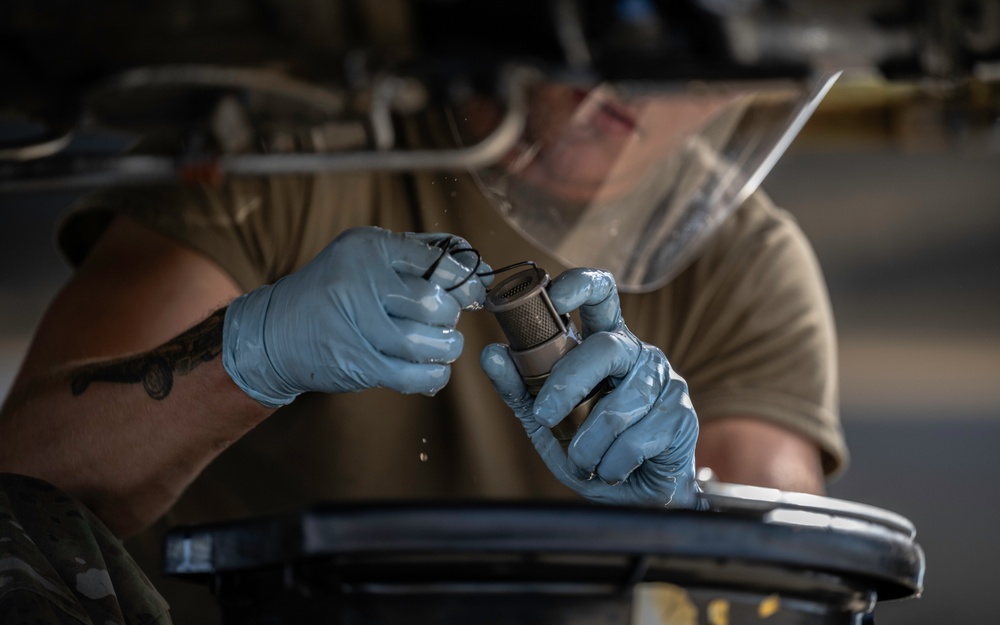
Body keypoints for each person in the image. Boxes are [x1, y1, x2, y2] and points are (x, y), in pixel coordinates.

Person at [0, 3, 847, 623]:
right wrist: (251, 351)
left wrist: (683, 511)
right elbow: (27, 470)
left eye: (702, 46)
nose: (651, 77)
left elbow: (787, 581)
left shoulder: (746, 263)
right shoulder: (306, 149)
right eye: (633, 22)